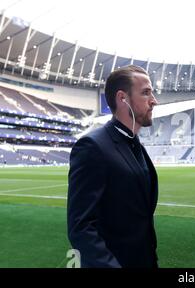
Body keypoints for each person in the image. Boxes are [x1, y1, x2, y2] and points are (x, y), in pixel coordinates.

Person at [67, 65, 159, 268]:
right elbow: (80, 227)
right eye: (146, 93)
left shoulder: (137, 146)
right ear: (122, 98)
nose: (154, 101)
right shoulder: (92, 146)